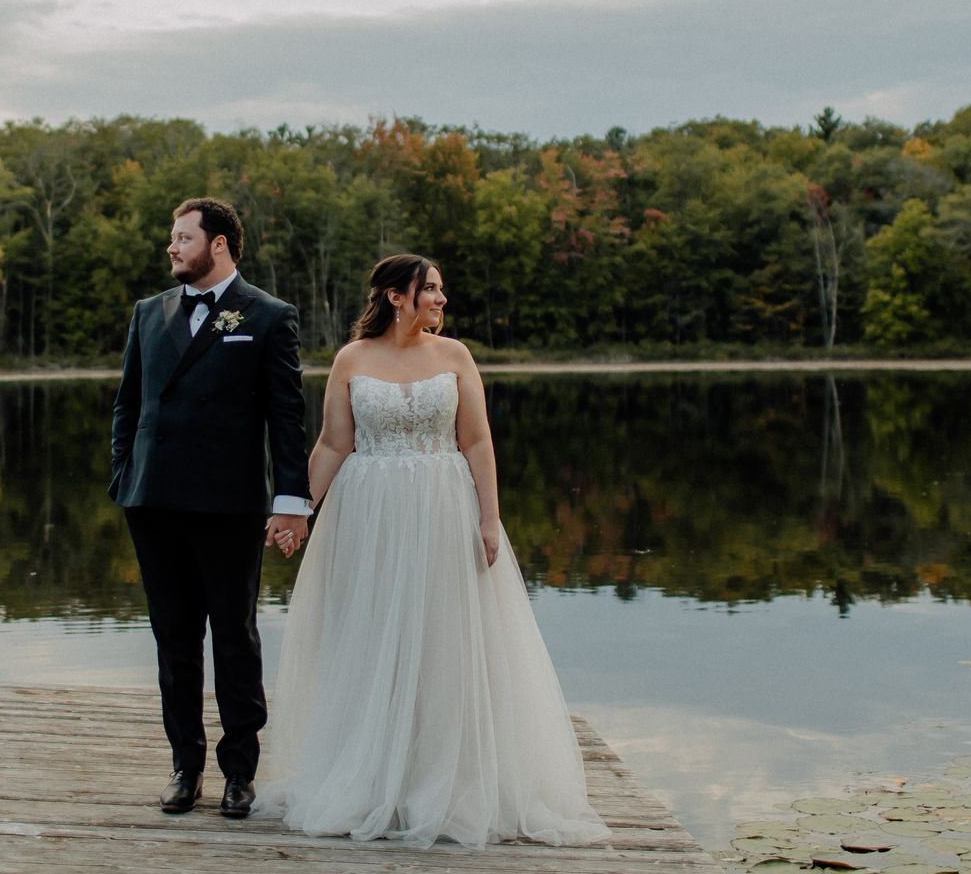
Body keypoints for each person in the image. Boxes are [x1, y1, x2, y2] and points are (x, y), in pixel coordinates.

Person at [256, 253, 610, 849]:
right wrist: (296, 511)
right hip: (369, 516)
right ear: (397, 296)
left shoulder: (455, 357)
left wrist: (490, 518)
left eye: (442, 291)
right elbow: (333, 443)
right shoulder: (352, 359)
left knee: (443, 637)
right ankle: (372, 777)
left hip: (444, 510)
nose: (441, 300)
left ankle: (441, 780)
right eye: (432, 290)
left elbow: (476, 439)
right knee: (372, 636)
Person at [109, 197, 312, 820]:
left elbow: (286, 416)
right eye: (172, 238)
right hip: (154, 502)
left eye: (182, 237)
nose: (172, 247)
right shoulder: (149, 313)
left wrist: (290, 501)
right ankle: (184, 767)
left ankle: (238, 773)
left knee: (235, 637)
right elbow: (128, 406)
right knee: (173, 639)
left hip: (228, 506)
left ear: (218, 244)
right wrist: (125, 478)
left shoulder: (268, 316)